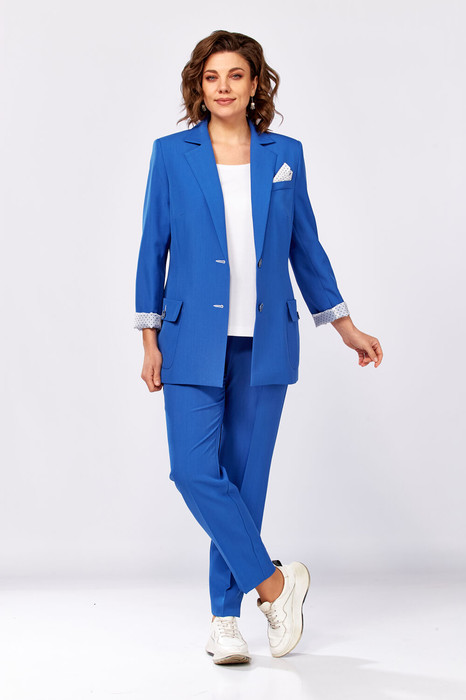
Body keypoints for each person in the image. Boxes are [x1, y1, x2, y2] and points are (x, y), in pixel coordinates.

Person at [134, 29, 383, 665]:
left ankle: (225, 621)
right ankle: (274, 587)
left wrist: (345, 325)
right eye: (211, 76)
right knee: (193, 471)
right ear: (198, 86)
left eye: (236, 75)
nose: (223, 86)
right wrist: (149, 338)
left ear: (255, 85)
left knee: (245, 482)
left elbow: (306, 246)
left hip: (266, 340)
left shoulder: (284, 154)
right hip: (190, 339)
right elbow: (152, 247)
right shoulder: (172, 154)